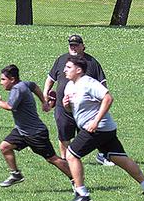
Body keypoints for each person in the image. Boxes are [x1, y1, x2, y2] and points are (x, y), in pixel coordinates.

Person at [61, 55, 144, 201]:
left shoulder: (88, 83)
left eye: (68, 67)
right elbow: (74, 108)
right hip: (104, 129)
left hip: (98, 128)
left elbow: (108, 98)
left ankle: (82, 194)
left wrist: (95, 121)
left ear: (78, 70)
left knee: (71, 155)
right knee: (119, 159)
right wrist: (66, 105)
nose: (65, 70)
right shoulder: (70, 86)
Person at [0, 64, 73, 187]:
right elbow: (34, 86)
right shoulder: (24, 84)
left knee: (52, 159)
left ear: (12, 79)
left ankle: (76, 179)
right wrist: (44, 102)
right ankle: (15, 174)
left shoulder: (17, 89)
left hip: (35, 133)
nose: (1, 82)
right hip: (22, 131)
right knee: (4, 147)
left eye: (3, 79)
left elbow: (10, 107)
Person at [43, 34, 113, 166]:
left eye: (76, 45)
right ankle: (65, 160)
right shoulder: (61, 60)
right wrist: (46, 93)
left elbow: (102, 85)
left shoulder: (92, 63)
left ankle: (102, 154)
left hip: (84, 107)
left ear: (83, 46)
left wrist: (99, 102)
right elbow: (51, 78)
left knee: (89, 133)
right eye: (71, 45)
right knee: (63, 132)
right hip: (62, 105)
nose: (73, 47)